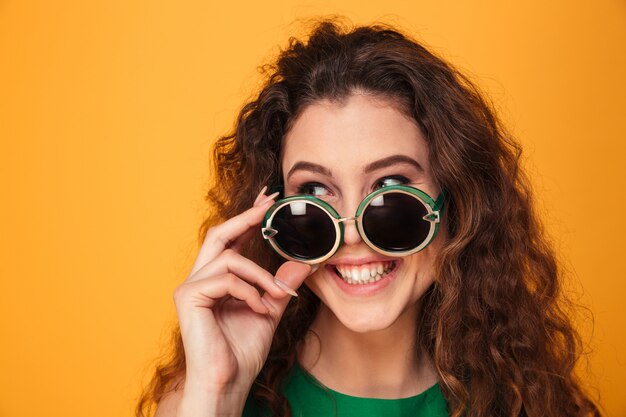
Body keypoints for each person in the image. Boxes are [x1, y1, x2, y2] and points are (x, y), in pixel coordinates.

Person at [136, 18, 602, 417]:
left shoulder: (525, 398)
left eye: (390, 188)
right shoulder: (202, 398)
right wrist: (217, 392)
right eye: (315, 193)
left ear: (456, 201)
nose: (352, 235)